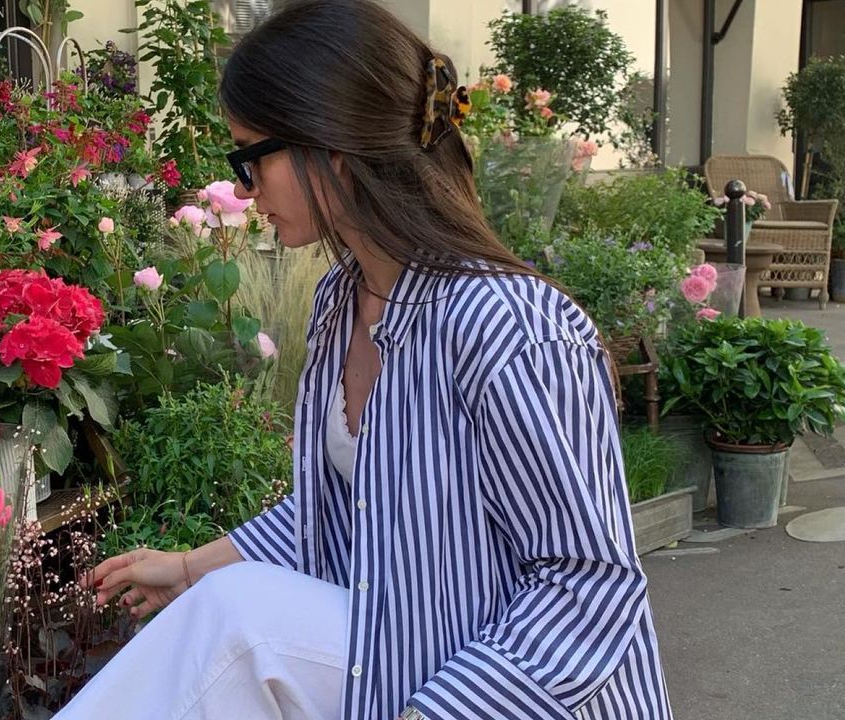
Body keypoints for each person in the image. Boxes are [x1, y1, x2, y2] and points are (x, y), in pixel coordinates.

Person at [55, 1, 673, 718]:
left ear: (335, 149)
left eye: (251, 158)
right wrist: (194, 568)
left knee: (241, 624)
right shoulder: (342, 301)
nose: (246, 193)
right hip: (405, 654)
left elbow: (588, 585)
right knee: (232, 612)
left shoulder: (507, 327)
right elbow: (350, 509)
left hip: (502, 696)